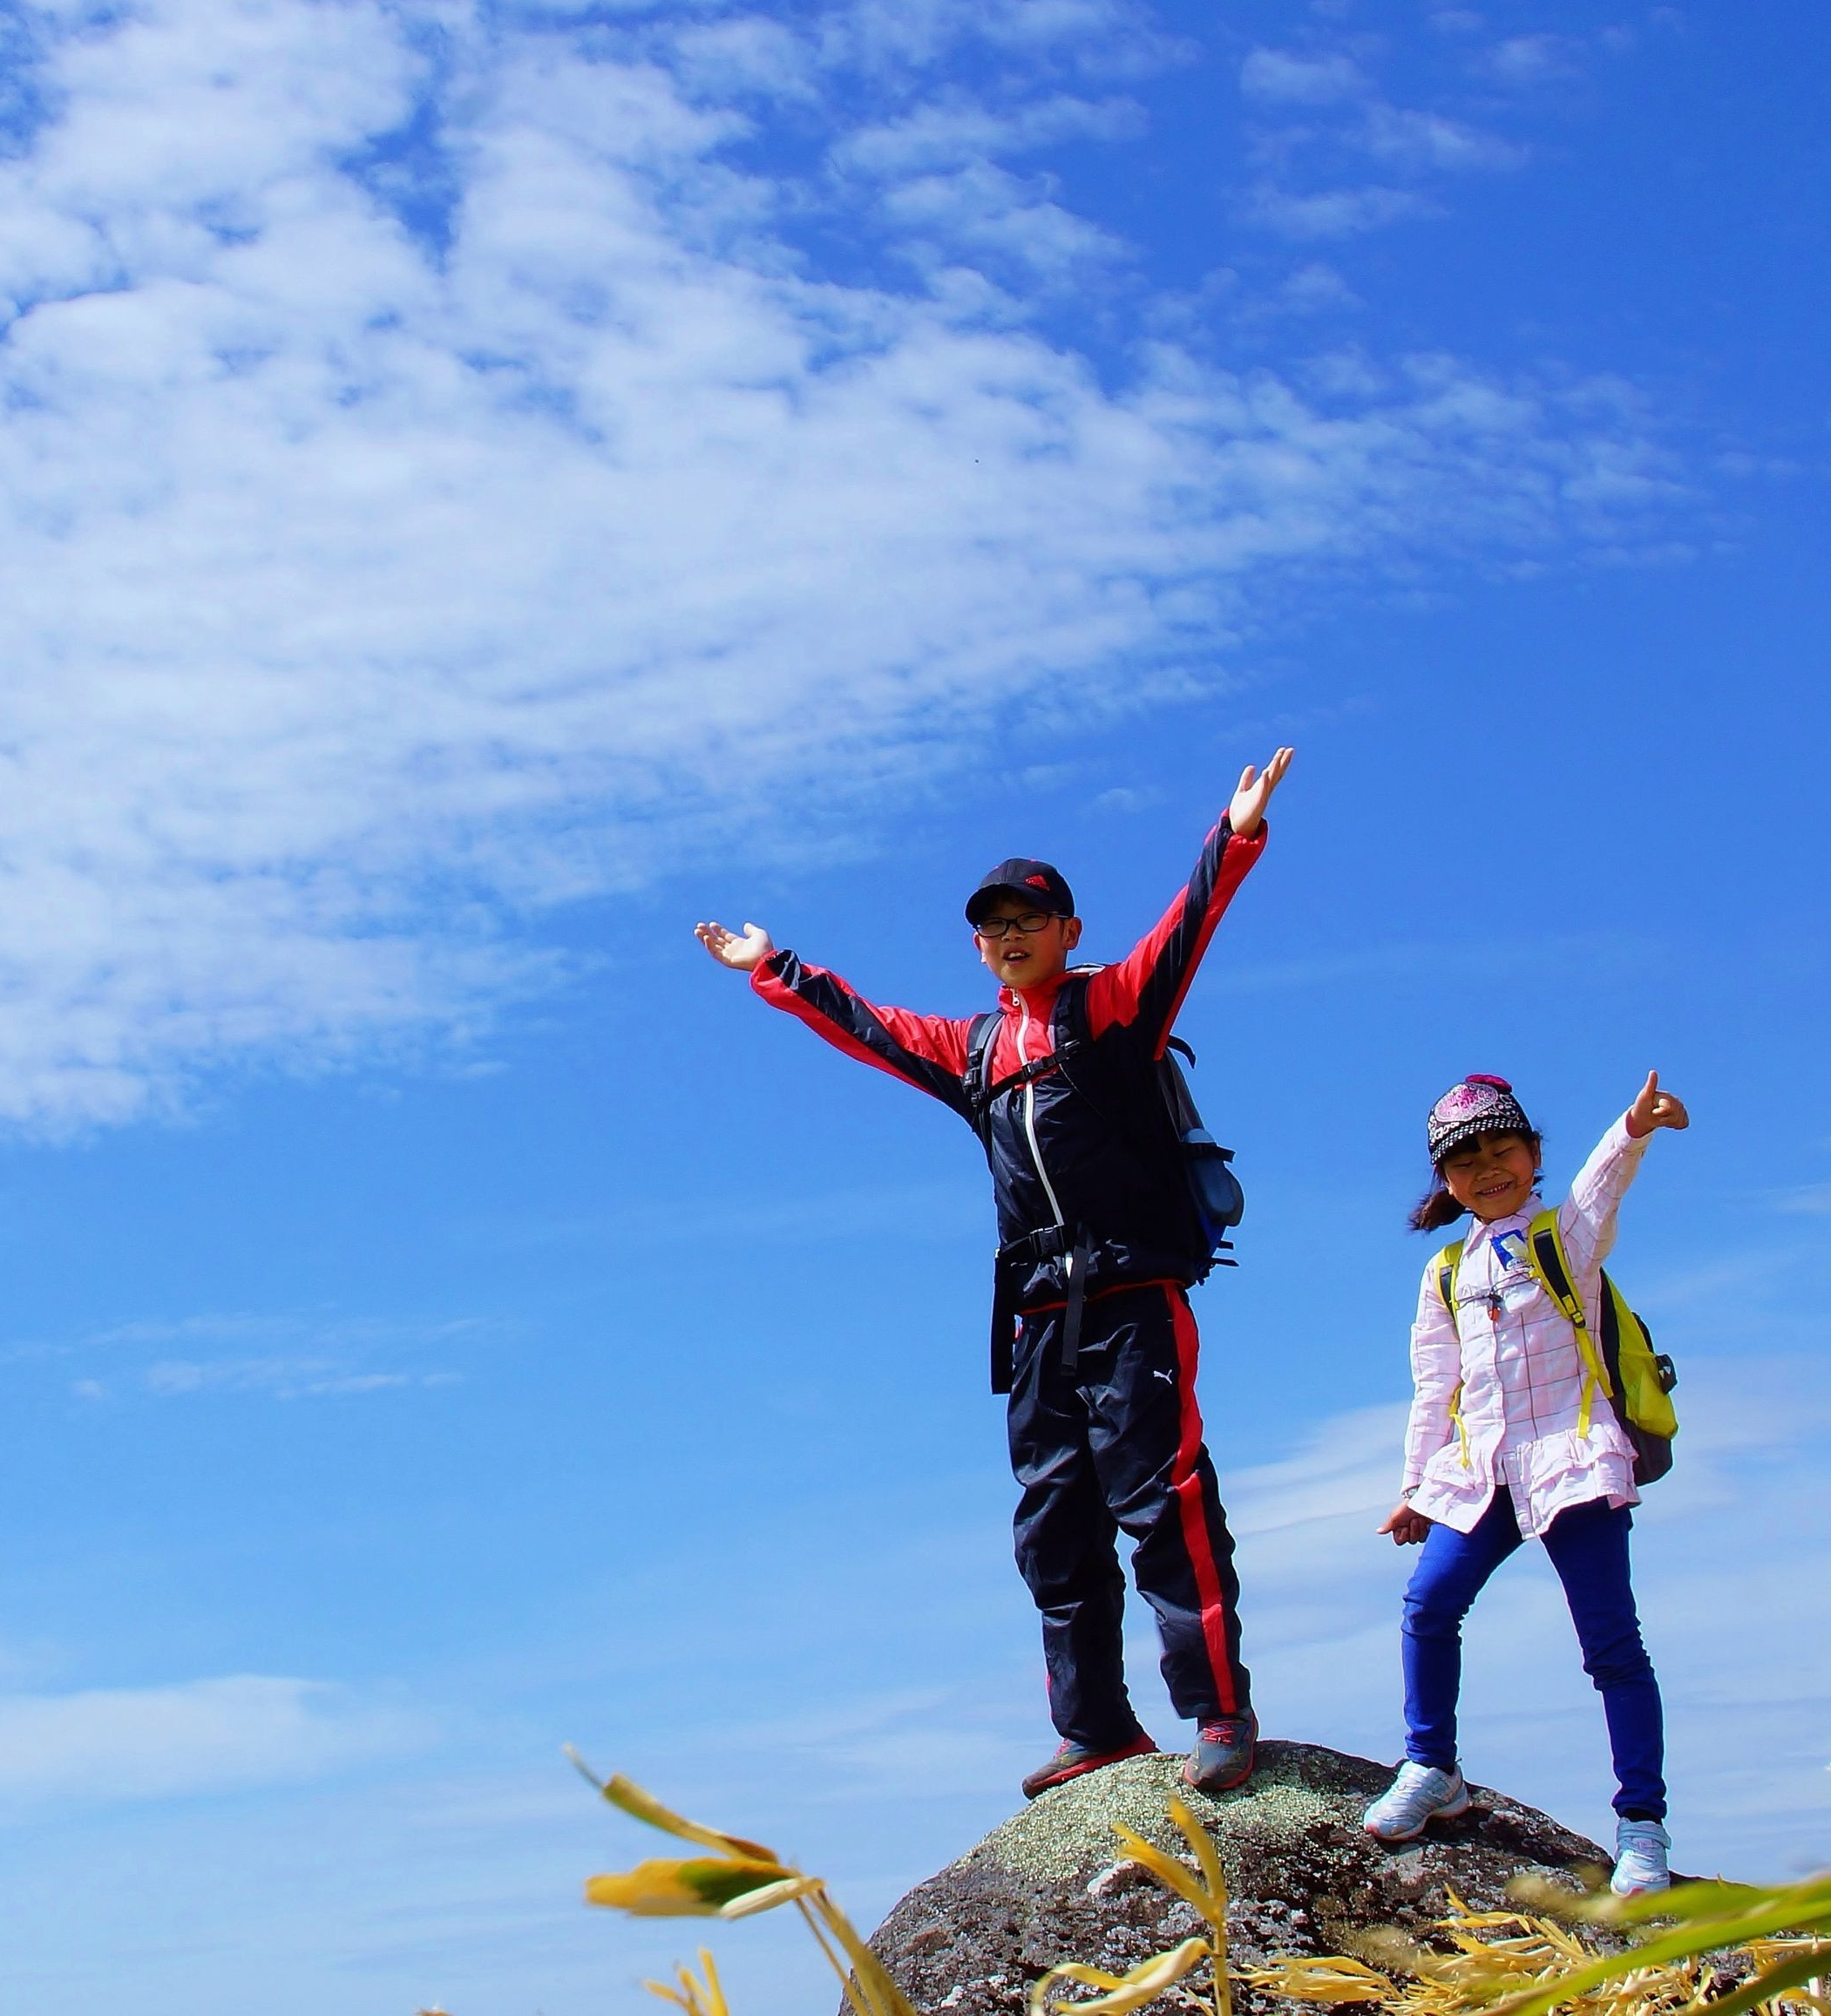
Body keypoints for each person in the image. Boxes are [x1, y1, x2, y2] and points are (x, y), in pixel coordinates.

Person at [692, 751, 1293, 1798]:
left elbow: (1184, 932)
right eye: (993, 926)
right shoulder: (972, 1051)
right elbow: (869, 1027)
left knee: (1164, 1503)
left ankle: (1218, 1713)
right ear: (978, 947)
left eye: (1029, 919)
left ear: (1066, 930)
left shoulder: (1108, 1009)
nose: (1010, 936)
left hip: (1132, 1301)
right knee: (1053, 1526)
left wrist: (1231, 837)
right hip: (1037, 1317)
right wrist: (772, 967)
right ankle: (1095, 1729)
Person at [1358, 1069, 1692, 1892]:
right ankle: (1432, 1765)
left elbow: (1601, 1186)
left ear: (1534, 1153)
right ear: (1446, 1180)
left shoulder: (1562, 1237)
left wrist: (1632, 1127)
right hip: (1482, 1472)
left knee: (1611, 1644)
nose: (1488, 1170)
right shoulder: (1445, 1272)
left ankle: (1642, 1827)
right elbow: (1434, 1386)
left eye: (1502, 1149)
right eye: (1465, 1161)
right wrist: (1415, 1486)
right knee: (1428, 1605)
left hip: (1571, 1460)